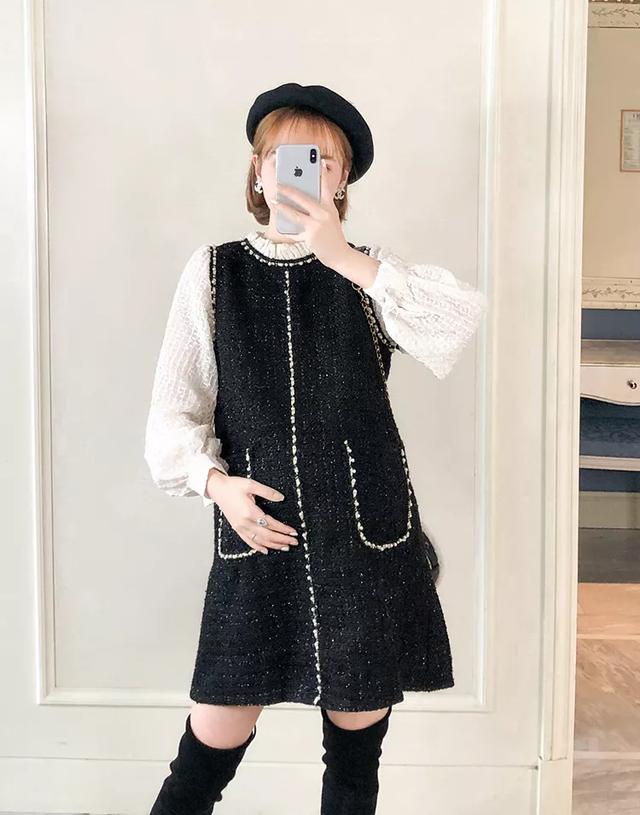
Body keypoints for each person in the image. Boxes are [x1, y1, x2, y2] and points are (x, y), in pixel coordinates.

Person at [144, 82, 488, 814]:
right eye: (285, 155)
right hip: (260, 533)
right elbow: (173, 413)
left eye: (322, 160)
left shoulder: (371, 272)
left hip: (364, 542)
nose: (302, 171)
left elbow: (457, 321)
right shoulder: (214, 272)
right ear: (259, 169)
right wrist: (217, 486)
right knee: (209, 744)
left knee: (355, 756)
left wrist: (342, 256)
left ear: (342, 180)